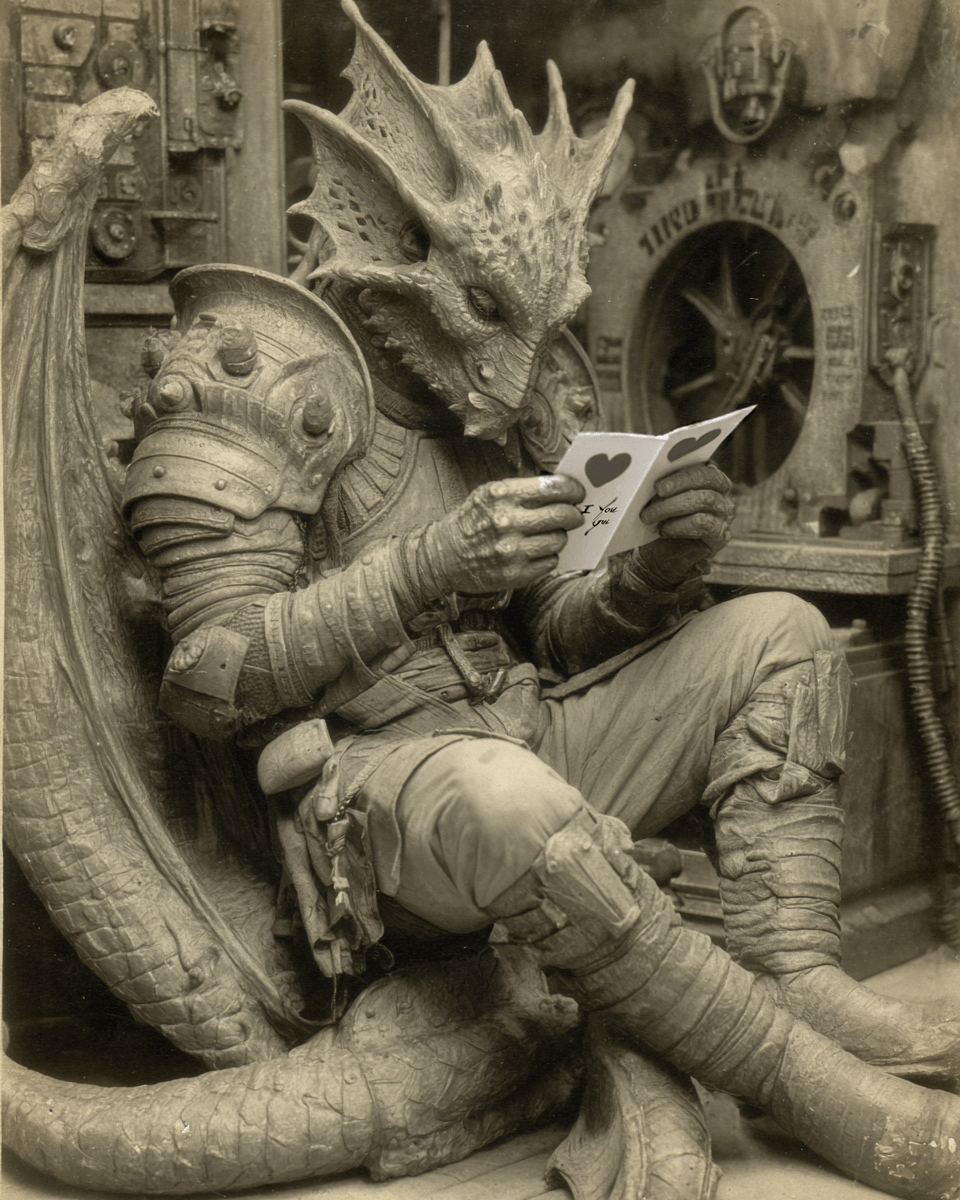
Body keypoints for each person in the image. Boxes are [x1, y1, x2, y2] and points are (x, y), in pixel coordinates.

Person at [122, 4, 958, 1191]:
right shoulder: (254, 377)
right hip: (379, 801)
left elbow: (555, 637)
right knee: (511, 798)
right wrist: (427, 566)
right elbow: (206, 678)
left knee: (787, 632)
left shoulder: (492, 406)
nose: (522, 372)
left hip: (526, 738)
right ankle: (794, 1076)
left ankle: (797, 974)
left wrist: (657, 568)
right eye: (489, 314)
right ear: (396, 247)